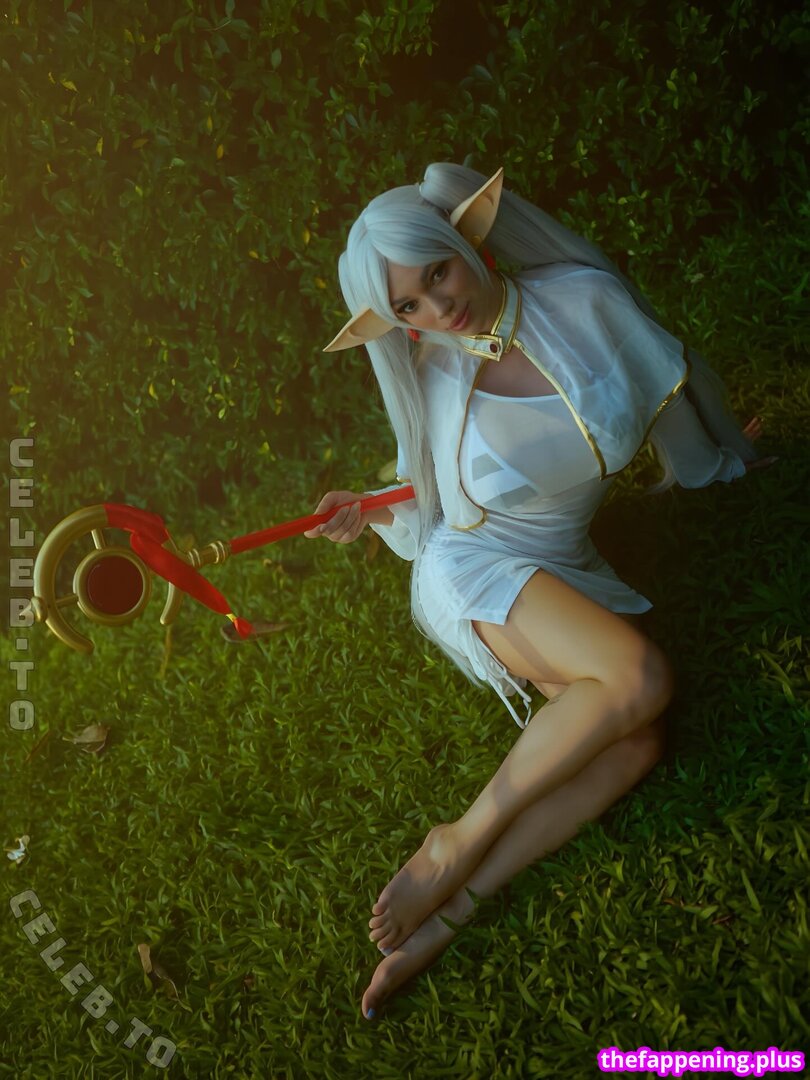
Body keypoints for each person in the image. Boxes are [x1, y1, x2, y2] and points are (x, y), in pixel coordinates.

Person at [304, 163, 774, 1021]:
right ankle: (458, 838)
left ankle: (452, 909)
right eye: (409, 305)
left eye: (438, 273)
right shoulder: (434, 378)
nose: (438, 308)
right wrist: (367, 509)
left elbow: (663, 382)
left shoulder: (586, 303)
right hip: (475, 567)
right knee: (639, 679)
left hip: (564, 564)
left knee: (635, 744)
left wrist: (719, 462)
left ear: (465, 243)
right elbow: (431, 500)